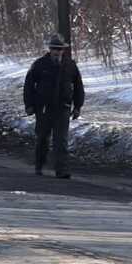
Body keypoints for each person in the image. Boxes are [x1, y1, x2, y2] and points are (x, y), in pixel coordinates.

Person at [23, 33, 85, 178]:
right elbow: (29, 85)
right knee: (42, 138)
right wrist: (29, 105)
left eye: (60, 49)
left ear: (64, 50)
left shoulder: (70, 65)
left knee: (61, 141)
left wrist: (77, 106)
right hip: (44, 108)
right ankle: (39, 165)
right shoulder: (39, 64)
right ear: (50, 49)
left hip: (63, 107)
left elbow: (78, 86)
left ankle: (61, 170)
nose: (57, 52)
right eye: (54, 49)